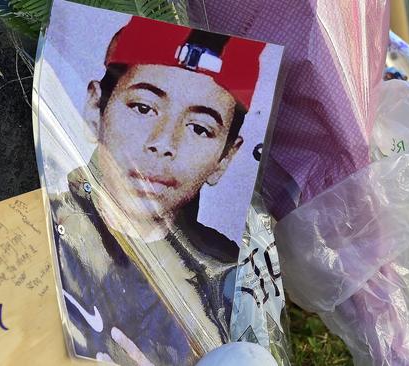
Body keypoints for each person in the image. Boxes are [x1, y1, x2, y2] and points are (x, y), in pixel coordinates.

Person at [50, 16, 265, 365]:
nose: (164, 142)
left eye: (199, 128)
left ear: (226, 157)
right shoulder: (38, 226)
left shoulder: (226, 280)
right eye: (143, 108)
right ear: (95, 107)